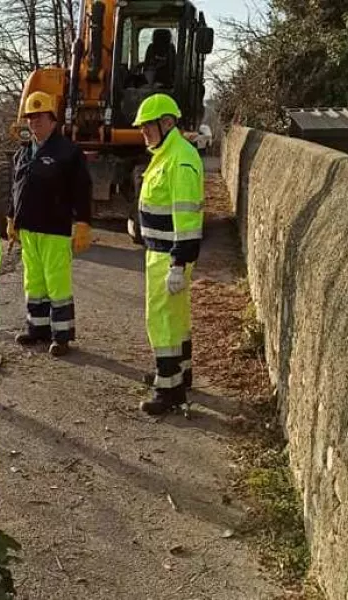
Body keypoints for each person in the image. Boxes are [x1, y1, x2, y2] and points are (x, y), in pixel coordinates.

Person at [132, 93, 204, 415]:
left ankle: (168, 389)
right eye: (142, 128)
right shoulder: (166, 153)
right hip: (160, 252)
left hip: (168, 257)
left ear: (167, 123)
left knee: (161, 320)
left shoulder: (180, 158)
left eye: (148, 127)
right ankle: (178, 375)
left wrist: (178, 262)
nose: (143, 133)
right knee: (175, 320)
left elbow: (187, 219)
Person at [7, 91, 92, 357]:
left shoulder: (68, 152)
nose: (34, 123)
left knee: (57, 283)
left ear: (53, 120)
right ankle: (37, 329)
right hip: (28, 228)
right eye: (30, 118)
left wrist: (83, 223)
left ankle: (62, 335)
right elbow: (16, 189)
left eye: (40, 118)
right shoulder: (23, 153)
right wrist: (12, 218)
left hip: (55, 228)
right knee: (34, 281)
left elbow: (82, 189)